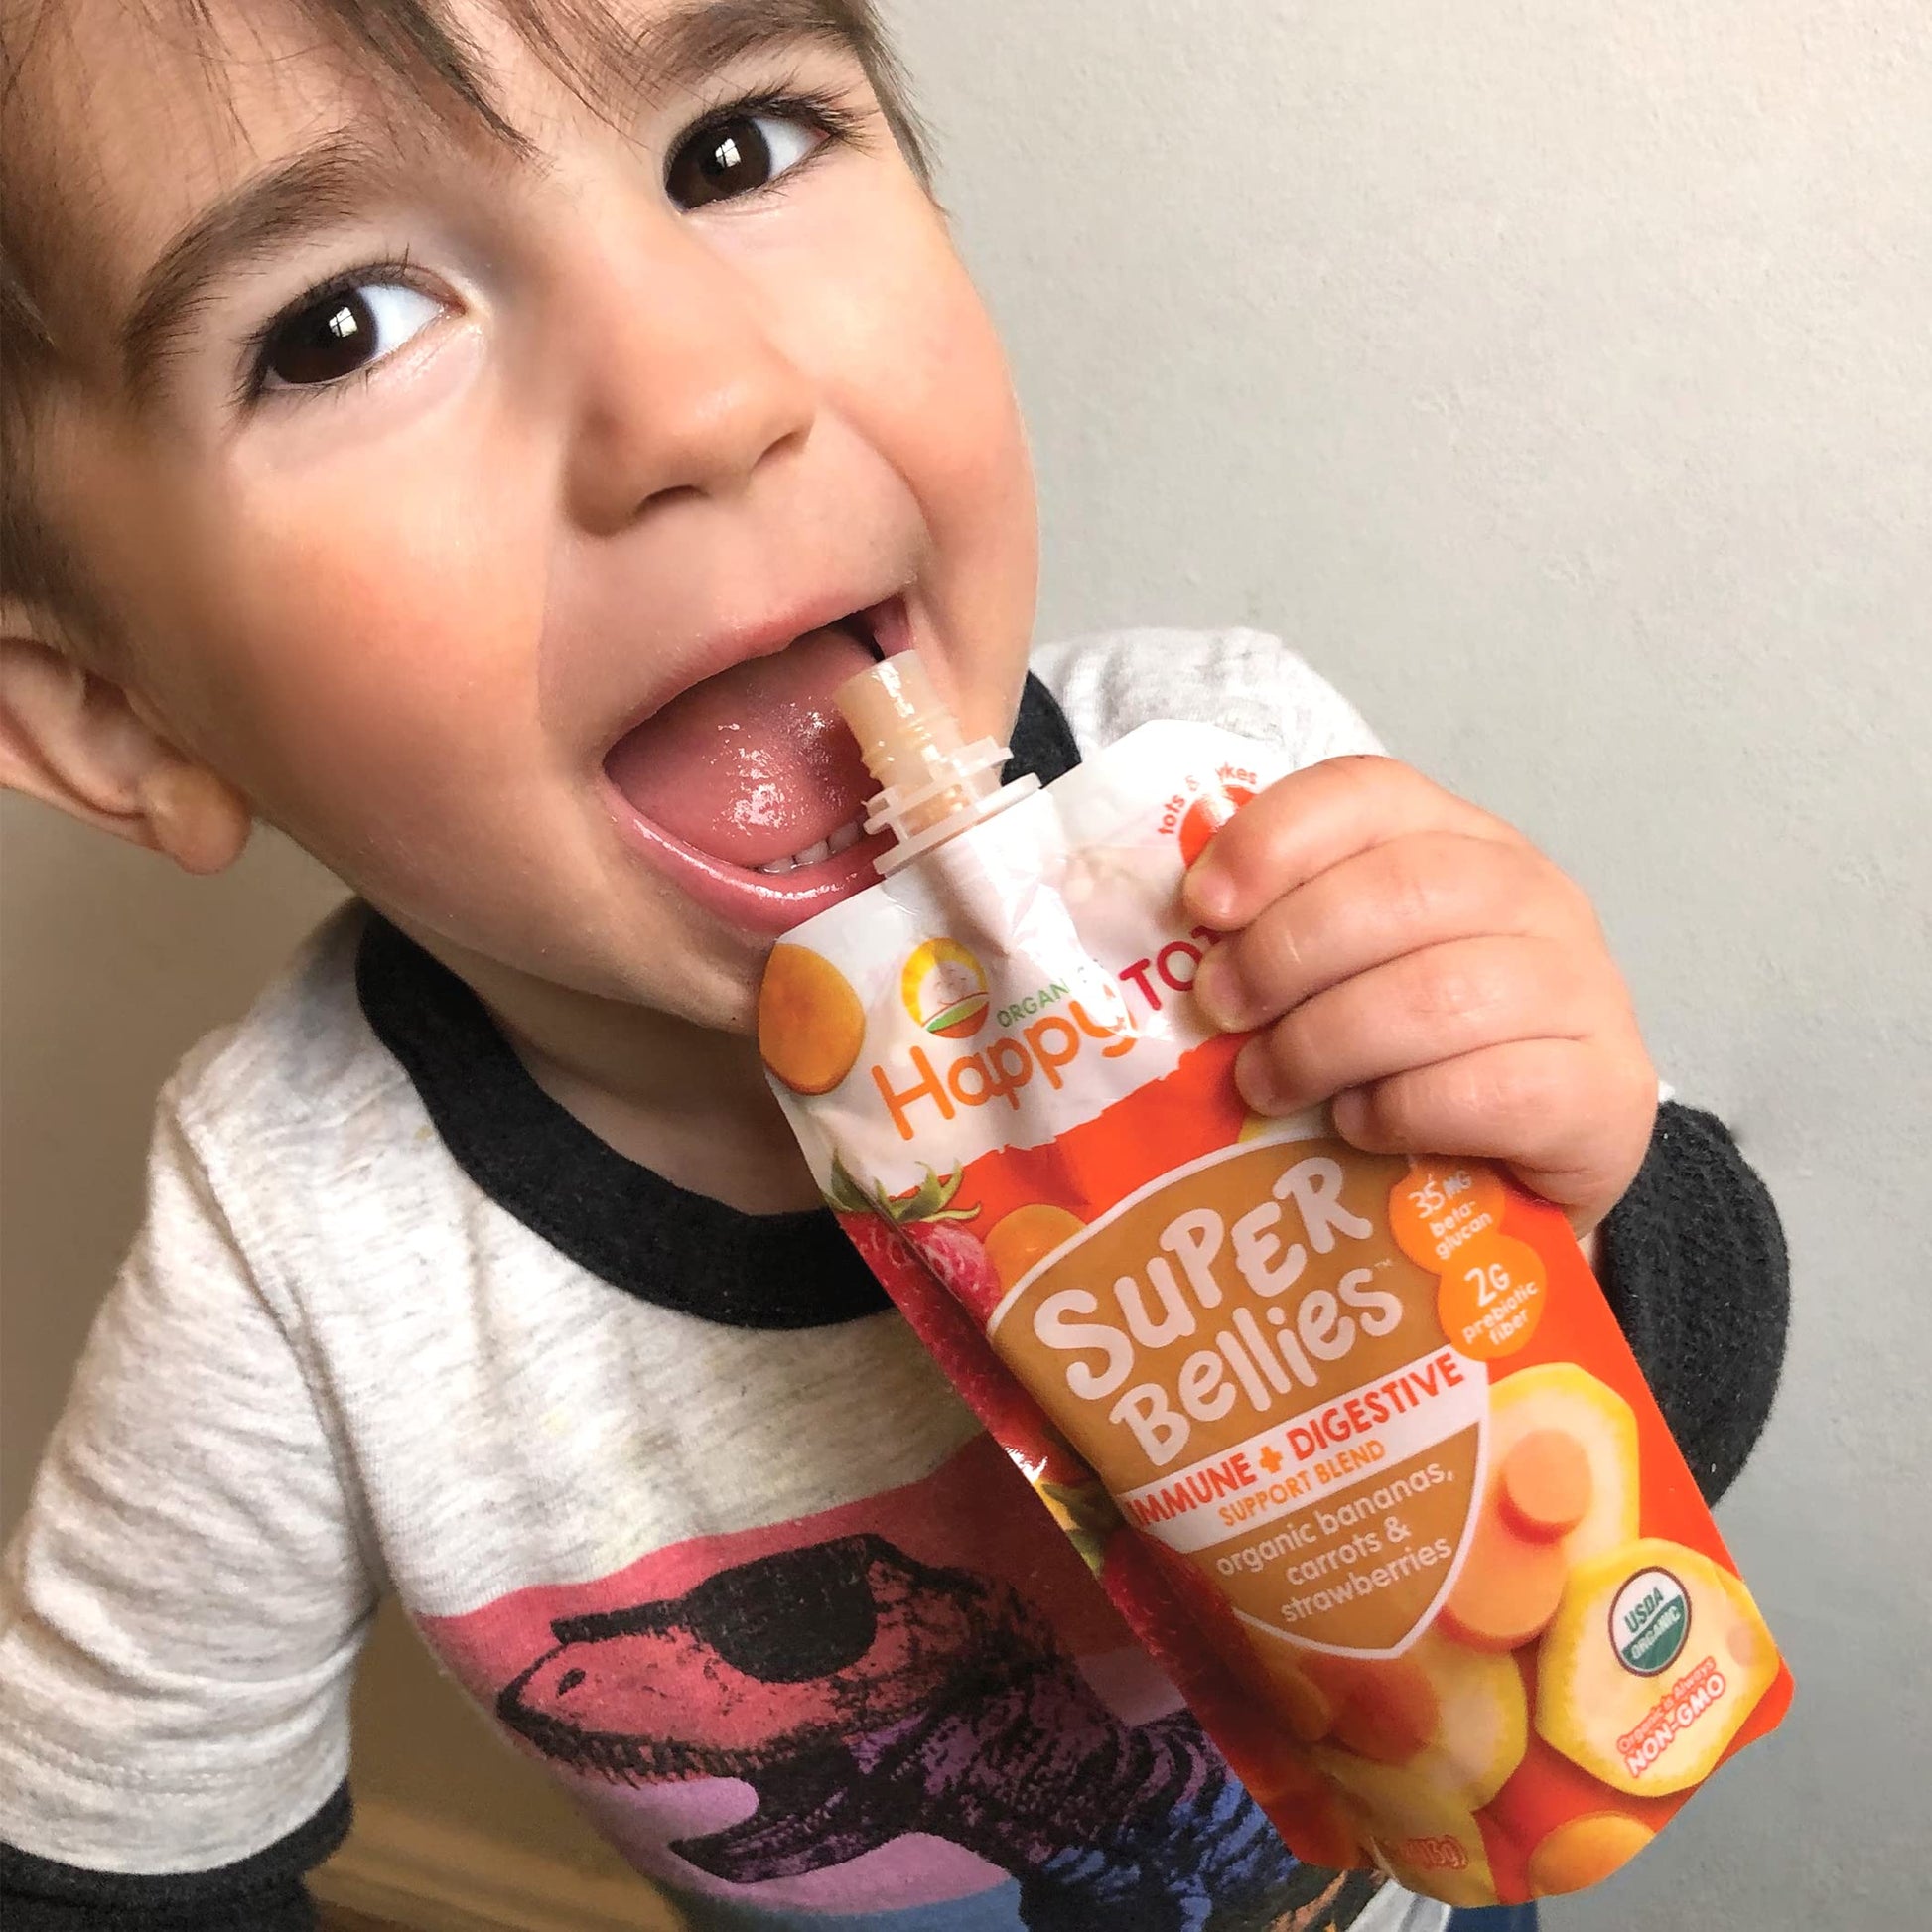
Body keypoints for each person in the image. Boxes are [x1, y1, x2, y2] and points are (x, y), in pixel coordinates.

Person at [0, 4, 1788, 1929]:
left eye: (736, 148)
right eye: (339, 326)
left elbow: (1644, 1490)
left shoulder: (1230, 805)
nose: (701, 398)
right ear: (116, 711)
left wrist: (1572, 1205)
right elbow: (101, 1867)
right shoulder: (286, 1234)